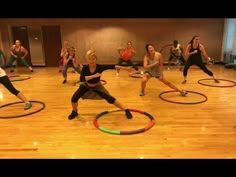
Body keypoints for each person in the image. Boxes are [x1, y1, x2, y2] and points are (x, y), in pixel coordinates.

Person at [68, 50, 133, 120]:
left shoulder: (100, 67)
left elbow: (113, 66)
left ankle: (126, 109)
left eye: (93, 59)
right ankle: (74, 111)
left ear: (96, 59)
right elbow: (82, 79)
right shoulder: (85, 68)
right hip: (86, 85)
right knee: (74, 98)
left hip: (97, 86)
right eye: (90, 59)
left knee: (110, 99)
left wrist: (126, 68)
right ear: (87, 60)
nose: (92, 61)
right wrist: (94, 76)